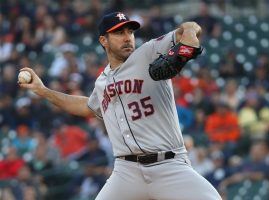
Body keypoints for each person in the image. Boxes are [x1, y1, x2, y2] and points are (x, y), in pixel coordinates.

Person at [19, 11, 222, 200]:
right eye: (119, 33)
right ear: (103, 40)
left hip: (168, 164)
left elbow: (190, 27)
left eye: (130, 32)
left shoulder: (148, 52)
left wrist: (185, 47)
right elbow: (88, 108)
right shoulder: (102, 81)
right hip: (126, 171)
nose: (127, 37)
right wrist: (43, 91)